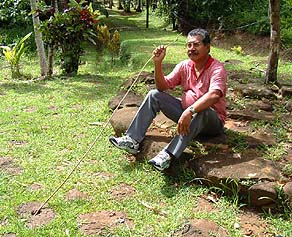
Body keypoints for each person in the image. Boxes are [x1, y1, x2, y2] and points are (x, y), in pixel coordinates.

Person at [109, 28, 227, 171]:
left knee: (203, 111)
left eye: (196, 45)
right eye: (188, 45)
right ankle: (132, 140)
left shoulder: (216, 68)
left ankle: (168, 155)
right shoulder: (185, 66)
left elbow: (214, 95)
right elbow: (162, 86)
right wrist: (158, 63)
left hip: (210, 122)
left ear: (207, 47)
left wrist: (190, 111)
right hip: (186, 116)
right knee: (154, 94)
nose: (191, 49)